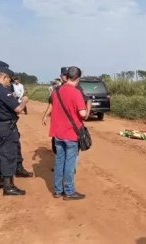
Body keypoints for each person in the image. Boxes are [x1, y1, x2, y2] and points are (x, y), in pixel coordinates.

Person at [0, 66, 28, 196]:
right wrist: (24, 101)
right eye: (9, 80)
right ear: (4, 77)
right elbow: (18, 109)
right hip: (5, 127)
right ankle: (8, 186)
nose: (10, 82)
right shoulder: (3, 91)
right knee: (8, 154)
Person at [50, 66, 87, 200]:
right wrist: (88, 110)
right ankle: (69, 191)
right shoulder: (76, 92)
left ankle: (58, 190)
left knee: (59, 161)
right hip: (71, 134)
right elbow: (82, 114)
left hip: (57, 133)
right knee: (70, 163)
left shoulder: (56, 91)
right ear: (78, 78)